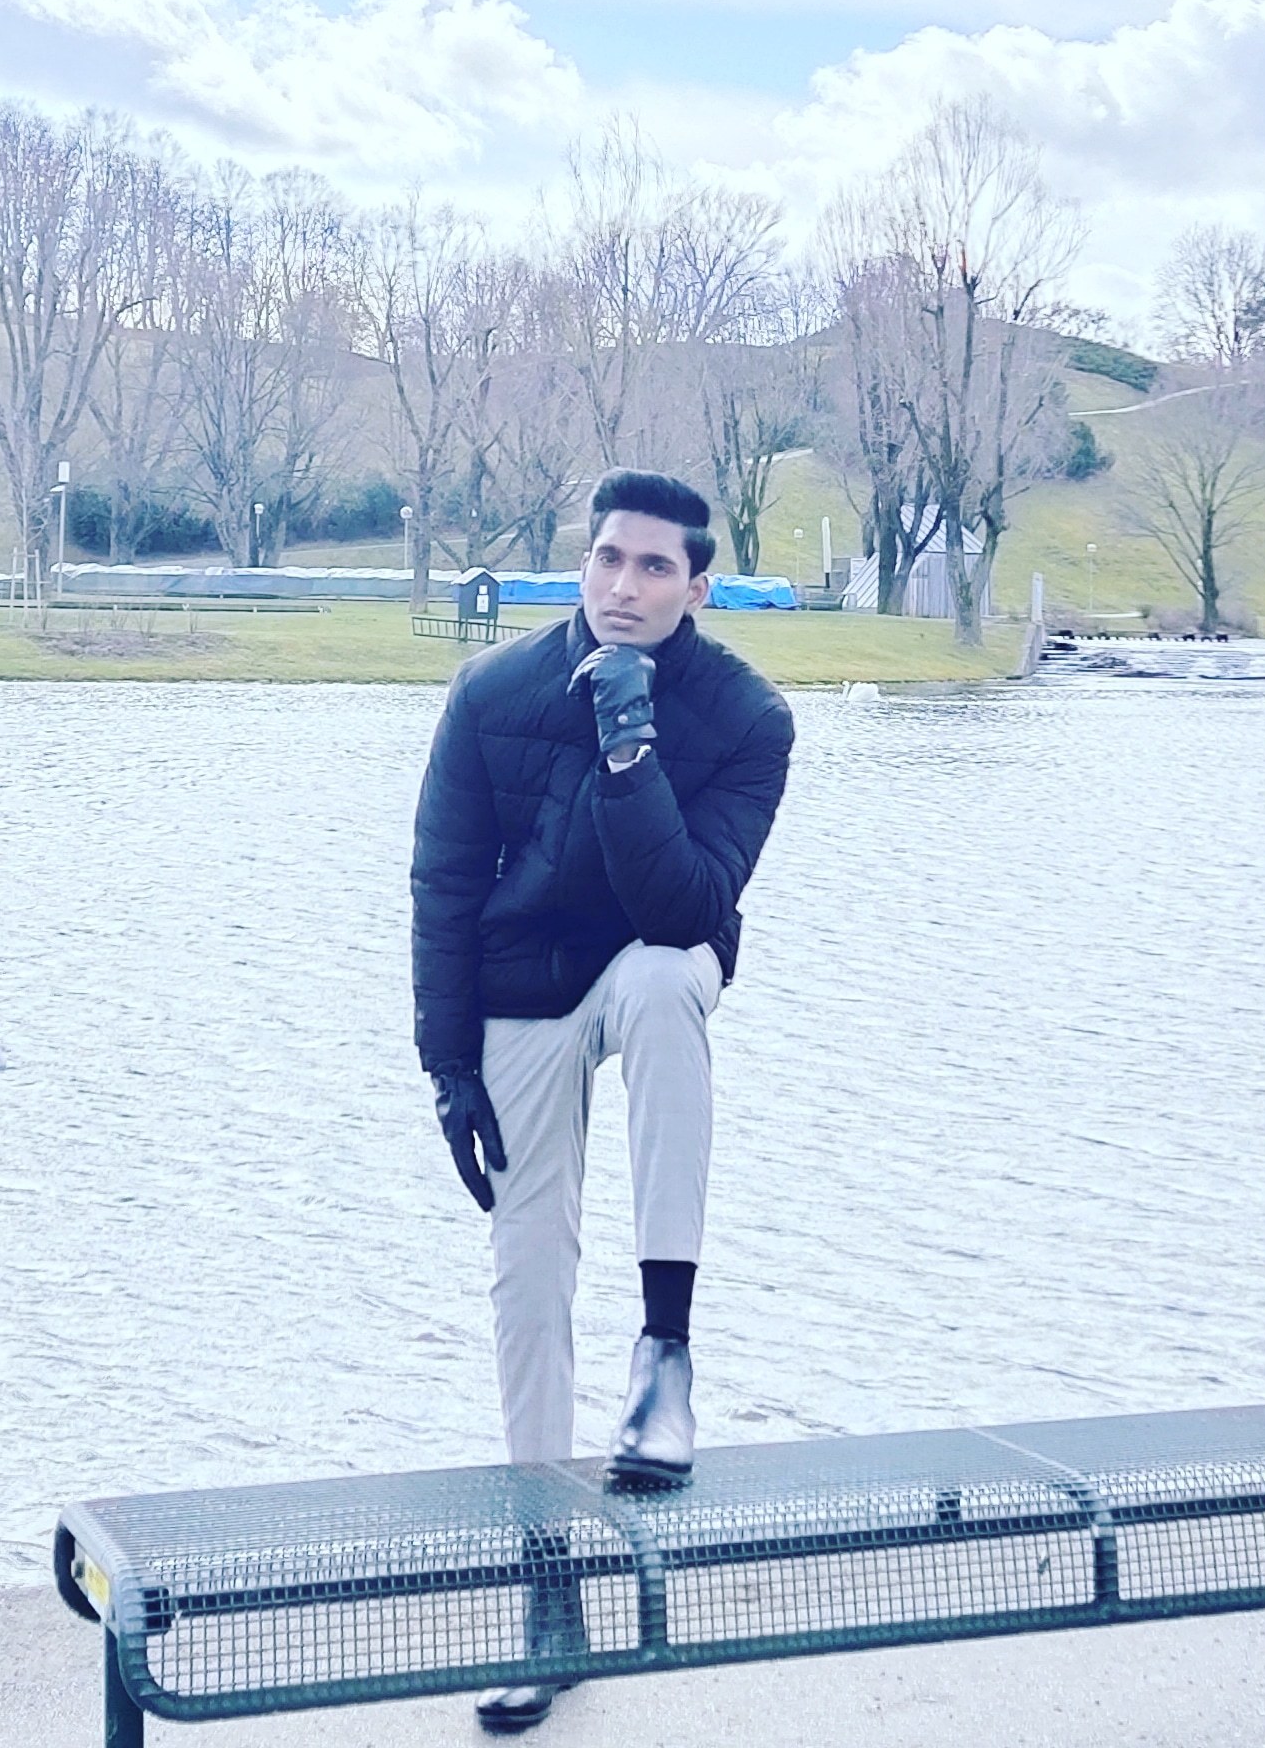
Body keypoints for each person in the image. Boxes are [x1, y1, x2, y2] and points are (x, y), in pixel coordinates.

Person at [410, 467, 795, 1732]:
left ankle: (664, 1351)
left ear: (697, 586)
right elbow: (442, 882)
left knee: (673, 981)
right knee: (525, 1282)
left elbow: (686, 906)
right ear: (583, 562)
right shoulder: (491, 691)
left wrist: (629, 742)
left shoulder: (747, 717)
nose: (622, 585)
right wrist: (446, 1065)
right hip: (520, 985)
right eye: (606, 559)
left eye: (652, 566)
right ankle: (549, 1597)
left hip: (645, 959)